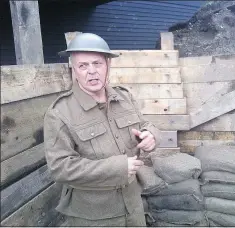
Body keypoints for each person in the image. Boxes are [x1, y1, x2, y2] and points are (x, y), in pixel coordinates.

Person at [44, 33, 161, 226]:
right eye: (83, 66)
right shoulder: (60, 112)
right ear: (74, 69)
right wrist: (117, 168)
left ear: (108, 65)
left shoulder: (124, 98)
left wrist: (151, 136)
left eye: (97, 64)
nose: (91, 71)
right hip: (95, 216)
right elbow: (60, 168)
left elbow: (146, 125)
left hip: (133, 205)